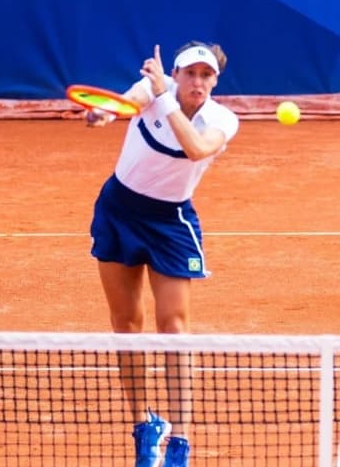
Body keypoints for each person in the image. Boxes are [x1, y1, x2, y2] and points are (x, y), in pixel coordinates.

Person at [85, 40, 239, 467]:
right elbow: (127, 102)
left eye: (206, 76)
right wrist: (104, 113)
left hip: (170, 223)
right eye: (189, 73)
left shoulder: (223, 120)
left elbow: (196, 149)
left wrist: (164, 97)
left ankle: (180, 442)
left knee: (174, 327)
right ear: (176, 73)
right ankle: (143, 426)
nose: (197, 82)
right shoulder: (150, 89)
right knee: (126, 323)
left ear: (215, 82)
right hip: (119, 211)